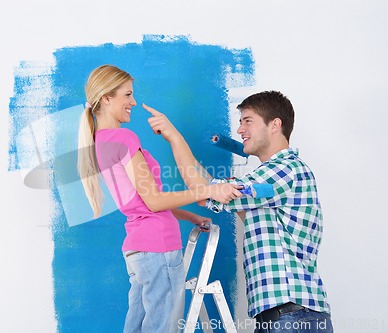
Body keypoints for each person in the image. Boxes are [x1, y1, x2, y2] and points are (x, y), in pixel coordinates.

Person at [144, 91, 333, 333]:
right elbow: (210, 190)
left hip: (293, 317)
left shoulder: (285, 170)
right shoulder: (268, 182)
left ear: (275, 125)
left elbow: (205, 192)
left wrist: (175, 138)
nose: (240, 130)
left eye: (248, 121)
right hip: (283, 317)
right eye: (240, 122)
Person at [77, 64, 242, 333]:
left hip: (138, 250)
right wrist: (210, 190)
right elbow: (153, 201)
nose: (134, 102)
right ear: (107, 98)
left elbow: (141, 201)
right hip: (157, 247)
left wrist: (189, 216)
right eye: (127, 95)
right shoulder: (124, 138)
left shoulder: (100, 141)